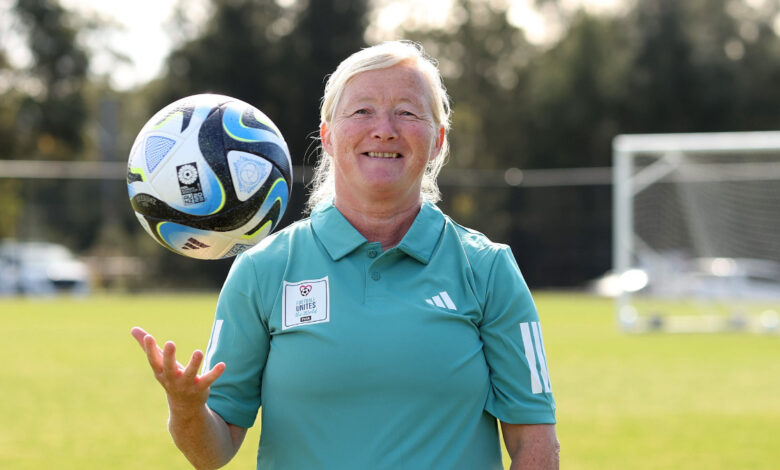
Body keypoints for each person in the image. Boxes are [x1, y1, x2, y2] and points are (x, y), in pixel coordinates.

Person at [131, 40, 559, 470]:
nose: (384, 129)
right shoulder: (262, 270)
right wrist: (186, 409)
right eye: (362, 111)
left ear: (438, 140)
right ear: (328, 136)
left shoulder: (487, 268)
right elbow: (213, 451)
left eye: (407, 113)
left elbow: (535, 441)